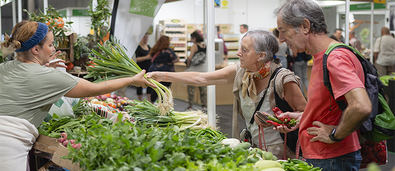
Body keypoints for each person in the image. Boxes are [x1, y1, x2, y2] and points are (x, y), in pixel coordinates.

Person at [0, 21, 153, 171]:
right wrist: (133, 80)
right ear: (35, 50)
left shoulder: (4, 67)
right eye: (51, 45)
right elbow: (95, 88)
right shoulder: (48, 76)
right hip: (9, 145)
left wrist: (42, 68)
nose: (54, 49)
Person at [148, 30, 306, 158]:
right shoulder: (241, 72)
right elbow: (202, 78)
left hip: (285, 155)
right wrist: (162, 76)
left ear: (261, 55)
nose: (238, 53)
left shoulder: (283, 80)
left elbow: (306, 114)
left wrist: (284, 122)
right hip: (255, 152)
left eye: (244, 50)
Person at [276, 0, 372, 170]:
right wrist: (305, 117)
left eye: (283, 31)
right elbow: (331, 105)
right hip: (327, 156)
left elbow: (361, 105)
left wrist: (335, 134)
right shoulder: (324, 56)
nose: (281, 39)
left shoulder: (335, 59)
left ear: (305, 26)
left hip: (332, 158)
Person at [147, 35, 179, 103]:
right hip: (166, 73)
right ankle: (162, 104)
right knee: (164, 89)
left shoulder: (155, 49)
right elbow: (176, 59)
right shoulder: (168, 51)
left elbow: (150, 57)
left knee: (155, 88)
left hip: (154, 72)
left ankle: (152, 102)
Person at [185, 30, 207, 110]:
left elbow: (190, 58)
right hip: (203, 70)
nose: (191, 40)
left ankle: (190, 106)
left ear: (194, 38)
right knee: (203, 90)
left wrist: (187, 65)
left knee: (191, 89)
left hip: (193, 71)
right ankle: (204, 106)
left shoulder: (194, 46)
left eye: (191, 38)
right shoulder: (204, 45)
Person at [135, 33, 152, 101]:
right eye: (144, 38)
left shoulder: (149, 46)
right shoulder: (138, 47)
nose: (146, 39)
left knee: (150, 84)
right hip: (141, 68)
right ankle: (140, 100)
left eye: (147, 38)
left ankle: (149, 100)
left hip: (149, 68)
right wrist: (146, 57)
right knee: (139, 85)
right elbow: (136, 59)